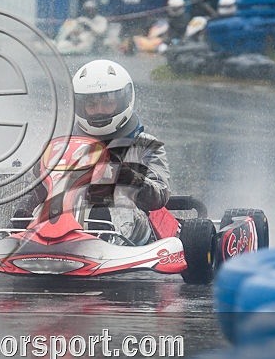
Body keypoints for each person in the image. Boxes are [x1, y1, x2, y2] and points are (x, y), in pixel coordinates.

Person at [20, 60, 170, 245]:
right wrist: (41, 173)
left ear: (124, 100)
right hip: (66, 216)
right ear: (81, 106)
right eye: (92, 105)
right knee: (38, 206)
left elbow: (160, 195)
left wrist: (124, 175)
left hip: (130, 225)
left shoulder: (146, 144)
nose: (99, 111)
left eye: (107, 103)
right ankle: (21, 234)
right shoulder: (64, 146)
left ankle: (103, 236)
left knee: (111, 205)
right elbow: (39, 191)